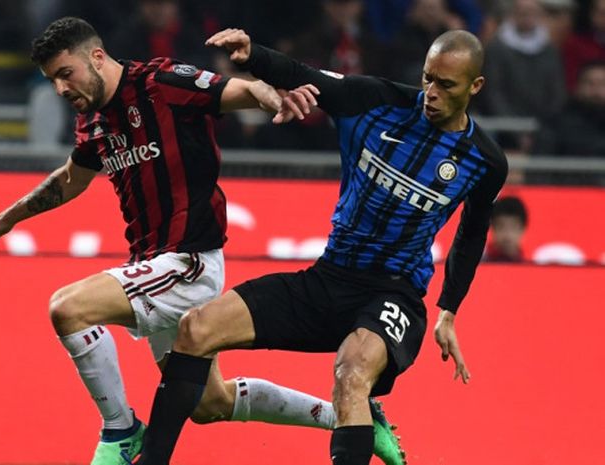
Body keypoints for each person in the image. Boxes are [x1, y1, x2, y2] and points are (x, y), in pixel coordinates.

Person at [0, 17, 404, 465]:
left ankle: (120, 429)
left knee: (68, 308)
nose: (60, 89)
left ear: (96, 57)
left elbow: (234, 91)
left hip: (188, 263)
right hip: (152, 264)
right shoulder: (92, 120)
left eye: (65, 73)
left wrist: (265, 92)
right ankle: (351, 417)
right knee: (209, 404)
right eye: (52, 80)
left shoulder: (160, 83)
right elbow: (71, 180)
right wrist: (6, 219)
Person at [134, 27, 507, 465]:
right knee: (195, 330)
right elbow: (304, 74)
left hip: (394, 293)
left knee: (352, 373)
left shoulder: (484, 161)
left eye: (446, 85)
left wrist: (449, 309)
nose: (431, 93)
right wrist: (253, 54)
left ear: (475, 86)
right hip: (328, 278)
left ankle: (361, 409)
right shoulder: (376, 102)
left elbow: (472, 231)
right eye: (428, 78)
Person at [484, 196, 528, 262]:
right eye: (501, 227)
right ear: (492, 228)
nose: (507, 235)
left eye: (513, 227)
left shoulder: (528, 267)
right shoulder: (478, 263)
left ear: (522, 229)